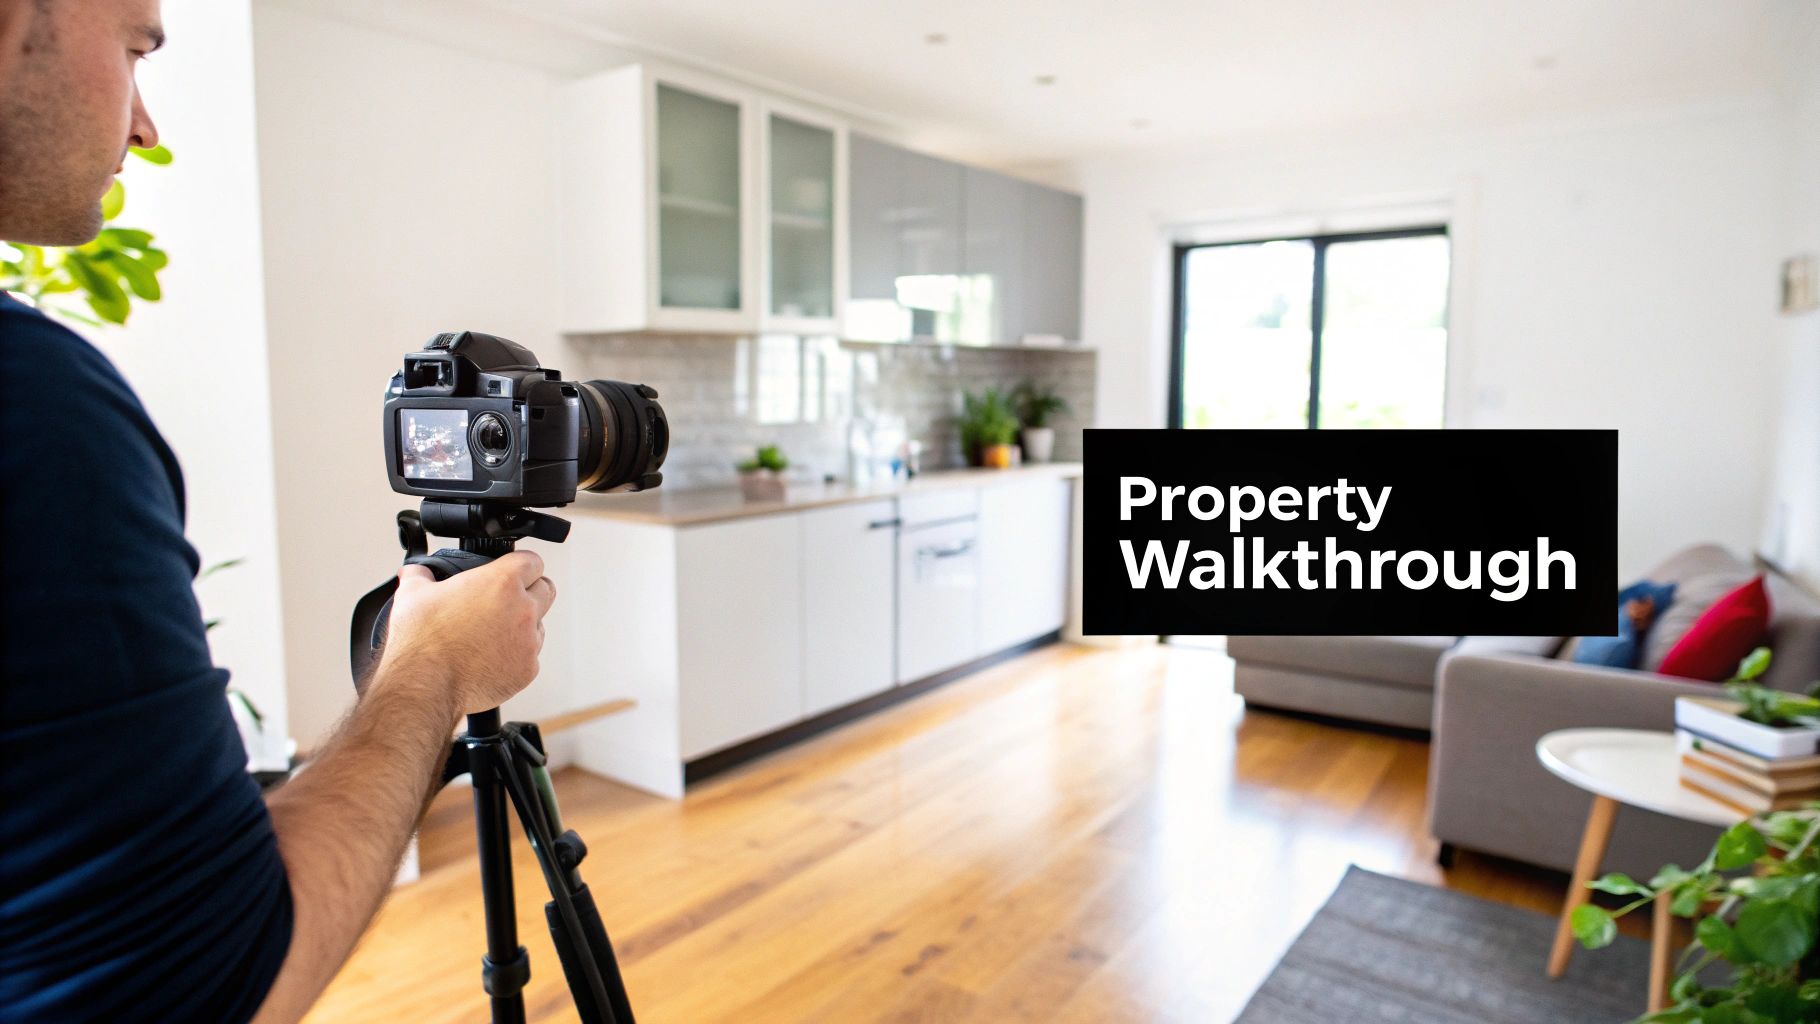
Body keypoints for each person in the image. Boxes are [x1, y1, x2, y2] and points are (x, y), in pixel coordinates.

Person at [0, 2, 558, 1021]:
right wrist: (435, 663)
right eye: (132, 49)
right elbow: (217, 982)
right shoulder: (32, 409)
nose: (144, 126)